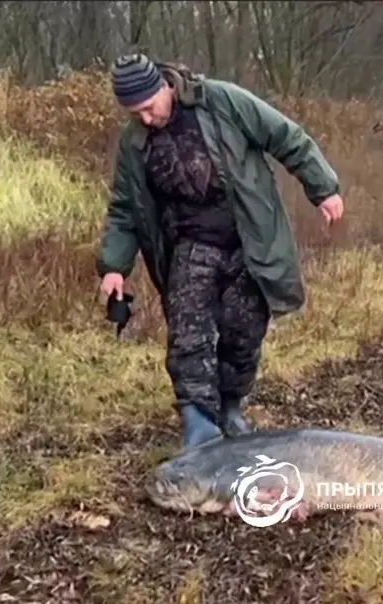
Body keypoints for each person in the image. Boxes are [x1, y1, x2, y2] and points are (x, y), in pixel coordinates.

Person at [96, 54, 343, 449]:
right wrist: (114, 266)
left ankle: (230, 410)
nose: (144, 118)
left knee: (243, 333)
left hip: (249, 239)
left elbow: (285, 136)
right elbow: (125, 206)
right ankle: (198, 423)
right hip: (190, 245)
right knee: (187, 335)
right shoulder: (135, 142)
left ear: (165, 87)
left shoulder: (223, 102)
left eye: (147, 107)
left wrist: (323, 188)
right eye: (133, 112)